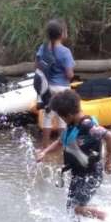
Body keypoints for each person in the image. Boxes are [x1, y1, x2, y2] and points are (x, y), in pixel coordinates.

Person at [37, 90, 111, 222]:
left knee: (77, 208)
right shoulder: (72, 125)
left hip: (91, 173)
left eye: (61, 117)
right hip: (78, 173)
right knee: (71, 208)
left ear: (68, 115)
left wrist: (108, 162)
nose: (61, 120)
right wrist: (44, 152)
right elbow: (60, 142)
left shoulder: (88, 126)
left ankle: (108, 219)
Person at [35, 19, 75, 148]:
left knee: (48, 116)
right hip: (62, 88)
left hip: (47, 88)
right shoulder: (65, 52)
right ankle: (64, 147)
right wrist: (71, 75)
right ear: (62, 33)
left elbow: (37, 65)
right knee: (62, 119)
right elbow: (69, 75)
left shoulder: (43, 48)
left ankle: (44, 147)